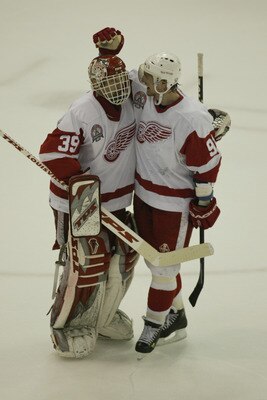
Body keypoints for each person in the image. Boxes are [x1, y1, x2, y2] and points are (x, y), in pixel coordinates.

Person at [92, 27, 228, 357]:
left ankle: (154, 325)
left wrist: (204, 200)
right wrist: (108, 55)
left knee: (164, 268)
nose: (142, 81)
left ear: (165, 83)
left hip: (174, 204)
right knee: (158, 265)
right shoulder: (146, 90)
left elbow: (206, 166)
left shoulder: (191, 117)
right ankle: (176, 315)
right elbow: (114, 82)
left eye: (150, 78)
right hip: (144, 195)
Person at [39, 49, 139, 358]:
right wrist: (78, 182)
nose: (118, 87)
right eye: (109, 82)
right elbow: (52, 153)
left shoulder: (134, 96)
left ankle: (102, 318)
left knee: (124, 256)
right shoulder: (82, 111)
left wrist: (108, 52)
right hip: (80, 203)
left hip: (117, 198)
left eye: (120, 80)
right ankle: (67, 324)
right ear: (95, 85)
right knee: (86, 261)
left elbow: (153, 79)